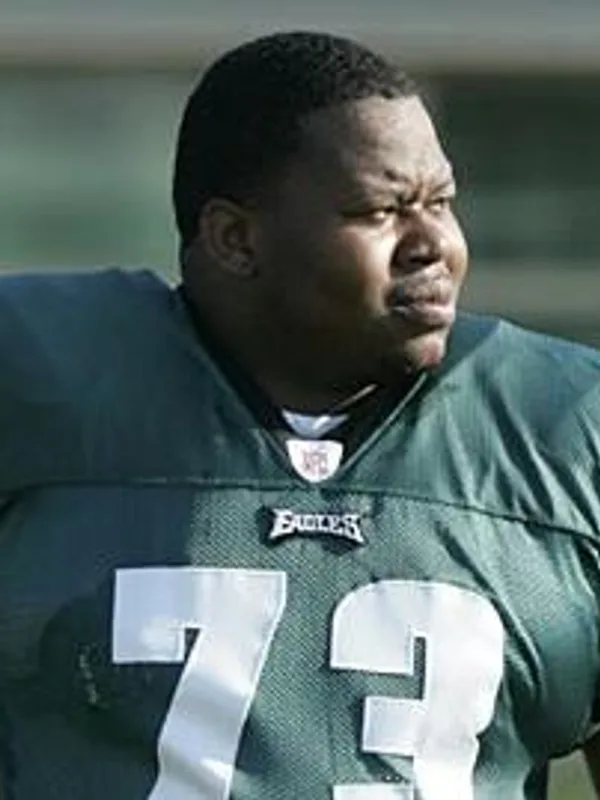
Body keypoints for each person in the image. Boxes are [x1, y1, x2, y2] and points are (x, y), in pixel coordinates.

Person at [0, 29, 599, 800]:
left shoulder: (561, 428)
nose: (435, 245)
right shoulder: (37, 384)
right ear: (235, 239)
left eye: (440, 203)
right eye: (380, 211)